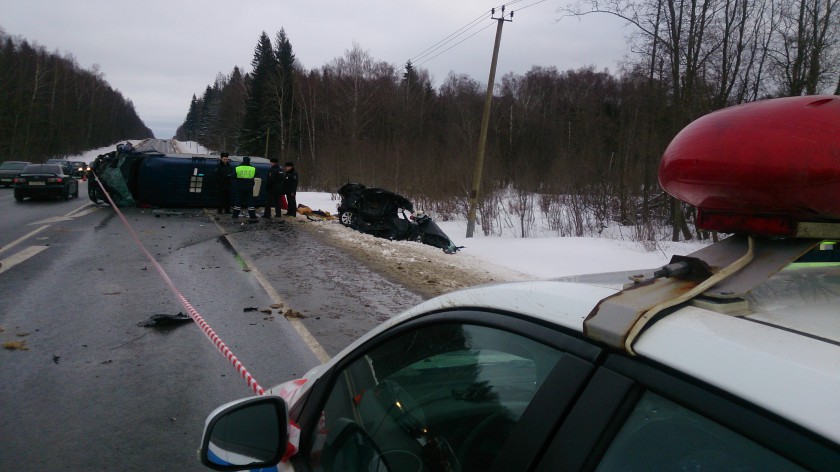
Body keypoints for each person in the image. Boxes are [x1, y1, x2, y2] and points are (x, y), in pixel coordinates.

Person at [232, 156, 258, 220]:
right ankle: (252, 215)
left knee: (238, 201)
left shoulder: (237, 168)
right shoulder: (253, 168)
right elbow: (256, 176)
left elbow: (233, 177)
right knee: (250, 201)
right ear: (249, 161)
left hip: (239, 186)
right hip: (249, 187)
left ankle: (235, 215)